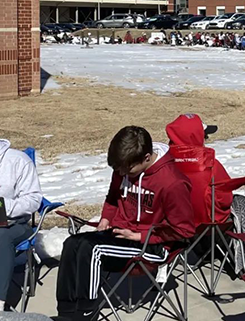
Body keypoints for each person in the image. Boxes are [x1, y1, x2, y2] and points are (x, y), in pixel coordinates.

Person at [56, 126, 195, 320]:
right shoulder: (123, 168)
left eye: (126, 169)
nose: (121, 173)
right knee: (72, 244)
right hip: (121, 233)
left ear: (147, 157)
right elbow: (113, 196)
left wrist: (140, 236)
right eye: (117, 169)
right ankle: (66, 311)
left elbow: (184, 231)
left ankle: (86, 313)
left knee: (92, 249)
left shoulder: (173, 183)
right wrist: (106, 217)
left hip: (153, 245)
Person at [165, 114, 232, 224]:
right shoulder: (210, 165)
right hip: (207, 224)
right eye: (204, 136)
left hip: (172, 224)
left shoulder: (163, 163)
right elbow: (226, 199)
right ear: (196, 137)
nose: (205, 139)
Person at [0, 140, 42, 310]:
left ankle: (0, 302)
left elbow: (34, 200)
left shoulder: (18, 161)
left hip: (16, 223)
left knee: (1, 238)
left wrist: (4, 206)